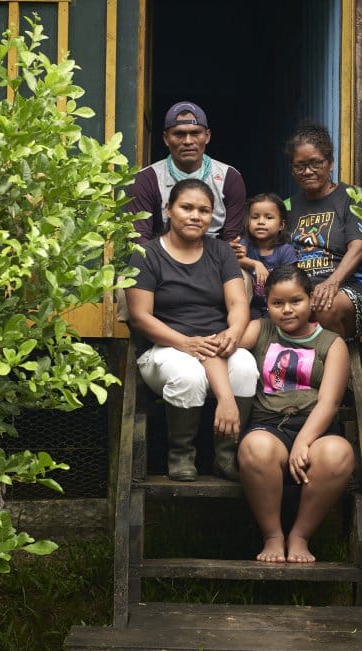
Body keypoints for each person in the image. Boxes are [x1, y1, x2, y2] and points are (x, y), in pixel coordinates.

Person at [125, 178, 258, 482]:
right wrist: (185, 343)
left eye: (204, 210)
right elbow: (140, 317)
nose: (195, 216)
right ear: (169, 209)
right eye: (186, 207)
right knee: (188, 375)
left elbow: (238, 304)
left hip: (214, 344)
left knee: (247, 367)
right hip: (165, 349)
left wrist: (233, 333)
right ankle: (181, 455)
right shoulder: (146, 255)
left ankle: (226, 455)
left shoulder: (221, 252)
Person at [237, 265, 354, 563]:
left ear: (311, 299)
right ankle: (273, 535)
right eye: (277, 304)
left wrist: (303, 441)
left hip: (314, 427)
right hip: (268, 425)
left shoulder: (331, 343)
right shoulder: (260, 329)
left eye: (296, 301)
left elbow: (329, 402)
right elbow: (228, 346)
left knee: (339, 453)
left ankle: (300, 536)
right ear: (268, 305)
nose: (287, 310)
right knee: (254, 449)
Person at [284, 121, 362, 339]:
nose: (307, 171)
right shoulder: (288, 207)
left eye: (315, 164)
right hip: (303, 293)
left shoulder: (353, 197)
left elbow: (358, 248)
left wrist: (332, 282)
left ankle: (332, 368)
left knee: (323, 305)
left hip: (353, 287)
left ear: (330, 164)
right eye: (299, 166)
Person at [127, 101, 247, 245]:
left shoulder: (229, 177)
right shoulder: (147, 179)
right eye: (179, 134)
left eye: (195, 133)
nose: (188, 141)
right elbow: (140, 237)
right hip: (162, 259)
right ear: (166, 138)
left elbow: (232, 238)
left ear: (207, 136)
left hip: (216, 259)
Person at [231, 193, 299, 318]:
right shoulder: (244, 244)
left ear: (281, 225)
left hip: (279, 307)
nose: (261, 222)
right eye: (255, 217)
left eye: (268, 217)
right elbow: (230, 260)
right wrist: (255, 264)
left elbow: (292, 281)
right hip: (250, 307)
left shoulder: (286, 251)